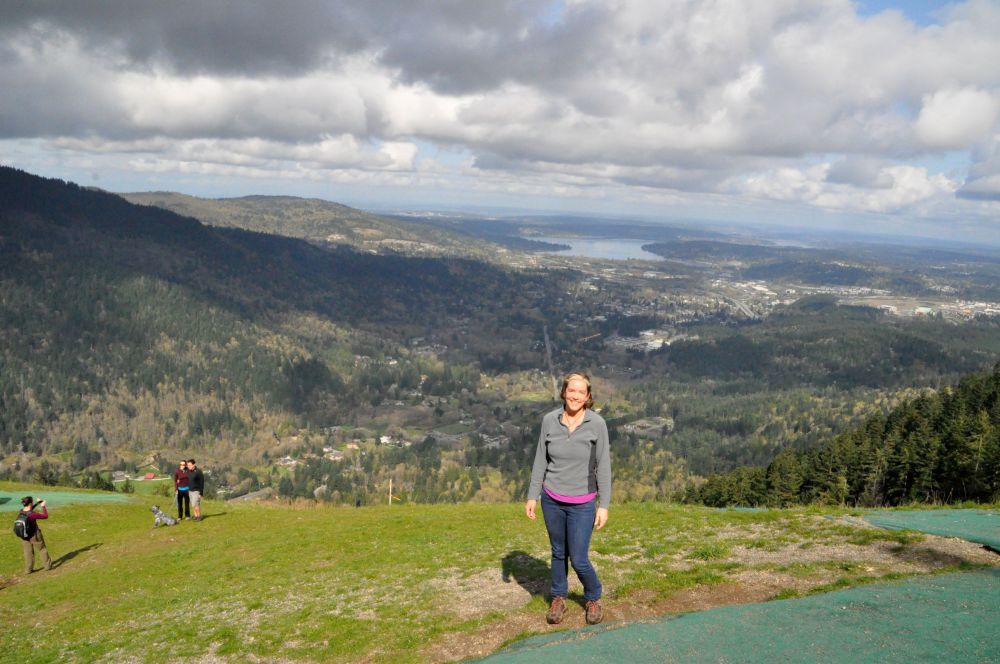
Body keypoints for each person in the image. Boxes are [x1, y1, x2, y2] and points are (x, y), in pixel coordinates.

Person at [525, 372, 611, 626]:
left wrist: (604, 505)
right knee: (558, 552)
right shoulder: (549, 421)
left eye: (580, 392)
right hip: (551, 498)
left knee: (579, 558)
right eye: (571, 391)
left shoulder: (597, 424)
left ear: (587, 397)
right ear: (564, 392)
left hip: (583, 502)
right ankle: (559, 596)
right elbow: (541, 459)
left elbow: (603, 466)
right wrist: (533, 495)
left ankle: (593, 596)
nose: (575, 396)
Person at [18, 496, 52, 574]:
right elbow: (45, 516)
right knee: (42, 549)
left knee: (28, 552)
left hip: (24, 536)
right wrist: (43, 506)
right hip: (34, 535)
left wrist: (37, 503)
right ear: (30, 503)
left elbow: (29, 509)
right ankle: (48, 566)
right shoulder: (32, 514)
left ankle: (28, 570)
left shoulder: (21, 511)